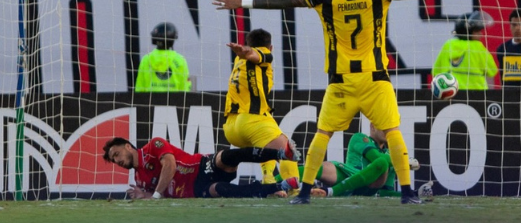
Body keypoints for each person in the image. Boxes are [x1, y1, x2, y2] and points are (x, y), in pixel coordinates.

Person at [211, 0, 488, 204]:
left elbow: (287, 1)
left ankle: (304, 193)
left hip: (341, 81)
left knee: (322, 135)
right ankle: (406, 193)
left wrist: (244, 2)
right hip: (374, 79)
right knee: (392, 132)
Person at [102, 136, 300, 199]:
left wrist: (154, 195)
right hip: (195, 190)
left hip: (200, 166)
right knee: (221, 190)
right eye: (113, 160)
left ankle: (281, 154)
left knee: (227, 156)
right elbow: (155, 198)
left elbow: (169, 165)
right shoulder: (139, 180)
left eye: (116, 154)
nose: (117, 161)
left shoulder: (154, 146)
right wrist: (145, 196)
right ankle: (280, 186)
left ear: (128, 146)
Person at [223, 28, 302, 186]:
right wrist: (251, 52)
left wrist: (245, 52)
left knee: (270, 136)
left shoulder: (239, 61)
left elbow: (252, 55)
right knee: (288, 151)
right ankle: (296, 192)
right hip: (251, 121)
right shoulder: (264, 53)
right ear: (270, 47)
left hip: (231, 128)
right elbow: (258, 55)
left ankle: (268, 178)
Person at [275, 124, 432, 198]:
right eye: (383, 126)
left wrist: (414, 193)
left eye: (389, 126)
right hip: (347, 175)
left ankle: (330, 192)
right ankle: (272, 184)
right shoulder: (360, 138)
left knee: (383, 164)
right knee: (323, 166)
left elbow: (385, 191)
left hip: (367, 189)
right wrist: (400, 159)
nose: (387, 129)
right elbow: (375, 157)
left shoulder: (389, 156)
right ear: (372, 127)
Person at [432, 11, 498, 90]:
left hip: (451, 93)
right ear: (467, 32)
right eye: (477, 31)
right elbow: (492, 71)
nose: (481, 34)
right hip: (477, 94)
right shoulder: (477, 47)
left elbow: (436, 71)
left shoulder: (448, 45)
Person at [135, 22, 191, 92]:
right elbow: (185, 89)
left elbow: (139, 88)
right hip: (175, 102)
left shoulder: (146, 59)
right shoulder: (180, 60)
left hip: (150, 102)